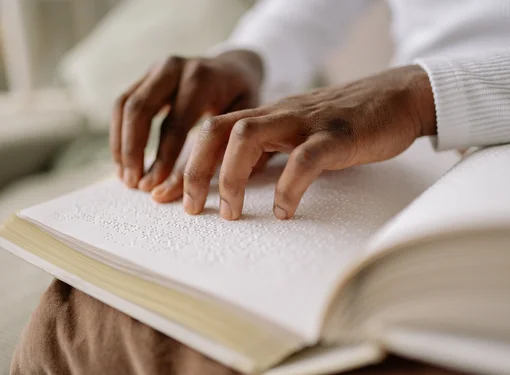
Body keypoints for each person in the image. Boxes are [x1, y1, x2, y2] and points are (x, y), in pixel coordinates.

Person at [12, 1, 510, 374]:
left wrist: (427, 94)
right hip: (414, 145)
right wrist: (251, 55)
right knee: (74, 323)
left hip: (449, 121)